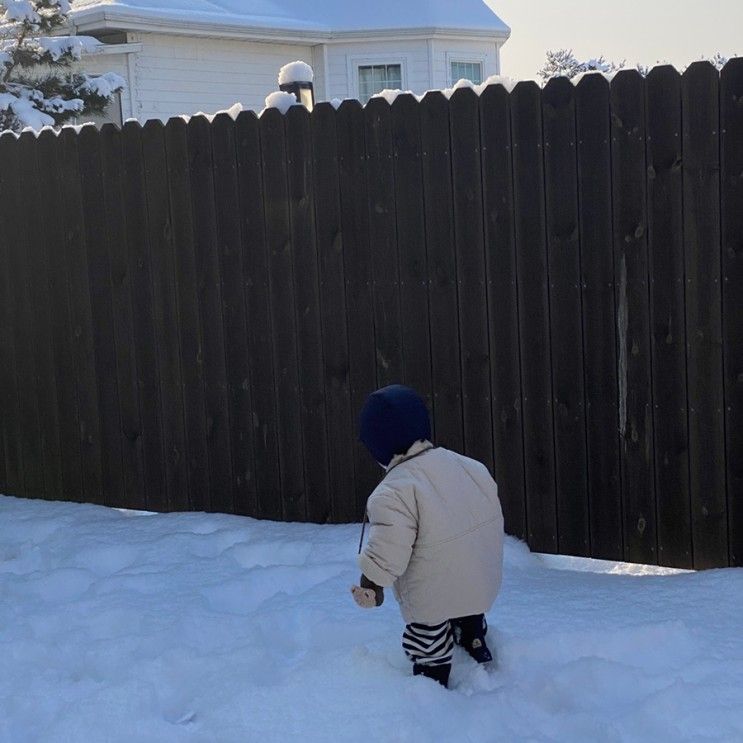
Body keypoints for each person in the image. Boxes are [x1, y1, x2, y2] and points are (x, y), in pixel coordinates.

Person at [350, 384, 505, 688]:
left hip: (433, 596)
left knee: (427, 629)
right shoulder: (470, 467)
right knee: (464, 603)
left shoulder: (393, 492)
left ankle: (432, 680)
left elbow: (388, 550)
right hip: (482, 582)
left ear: (379, 447)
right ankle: (474, 640)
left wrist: (372, 583)